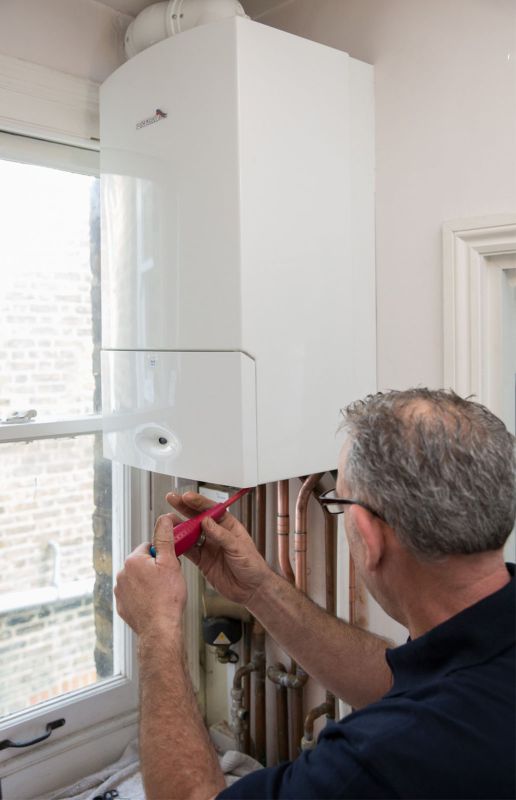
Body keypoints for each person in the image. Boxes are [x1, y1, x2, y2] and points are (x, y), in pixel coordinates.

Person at [114, 388, 516, 800]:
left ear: (369, 536)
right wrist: (259, 589)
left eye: (340, 502)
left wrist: (157, 630)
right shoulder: (477, 648)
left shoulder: (381, 757)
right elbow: (398, 683)